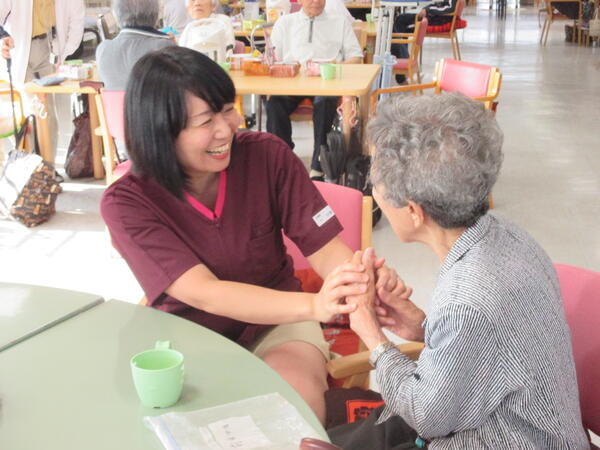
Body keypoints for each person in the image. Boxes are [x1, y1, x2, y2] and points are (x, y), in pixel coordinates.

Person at [100, 46, 400, 425]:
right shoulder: (128, 202)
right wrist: (316, 306)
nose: (227, 128)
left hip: (280, 321)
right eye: (206, 120)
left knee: (291, 413)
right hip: (188, 334)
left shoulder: (267, 157)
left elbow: (325, 250)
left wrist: (361, 279)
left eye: (227, 108)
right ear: (161, 131)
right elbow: (204, 292)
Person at [329, 93, 589, 449]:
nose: (374, 194)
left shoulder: (467, 298)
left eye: (377, 186)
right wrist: (422, 326)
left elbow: (428, 415)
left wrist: (374, 339)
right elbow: (491, 349)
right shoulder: (507, 235)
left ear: (414, 211)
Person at [267, 0, 363, 181]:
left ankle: (319, 164)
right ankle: (282, 157)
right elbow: (272, 58)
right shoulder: (285, 22)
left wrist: (334, 67)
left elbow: (356, 56)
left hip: (326, 80)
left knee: (325, 101)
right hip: (293, 79)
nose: (316, 1)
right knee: (274, 103)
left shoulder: (339, 22)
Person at [0, 0, 84, 163]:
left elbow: (75, 19)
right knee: (31, 111)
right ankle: (33, 168)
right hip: (20, 50)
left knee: (49, 113)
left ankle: (48, 168)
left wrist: (63, 53)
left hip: (46, 50)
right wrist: (2, 37)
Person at [96, 0, 175, 91]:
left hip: (113, 105)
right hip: (151, 105)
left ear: (117, 14)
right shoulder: (163, 46)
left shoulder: (103, 49)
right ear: (155, 14)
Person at [390, 0, 456, 83]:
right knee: (401, 25)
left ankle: (404, 69)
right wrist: (427, 8)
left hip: (438, 19)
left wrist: (428, 10)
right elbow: (441, 5)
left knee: (399, 23)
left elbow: (450, 8)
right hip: (435, 16)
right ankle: (404, 69)